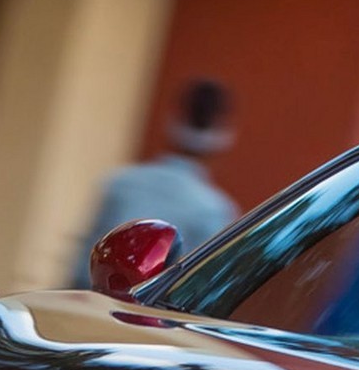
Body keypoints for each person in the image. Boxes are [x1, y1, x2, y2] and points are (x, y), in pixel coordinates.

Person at [73, 79, 240, 284]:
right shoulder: (214, 210)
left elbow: (81, 271)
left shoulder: (121, 184)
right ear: (224, 135)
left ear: (172, 120)